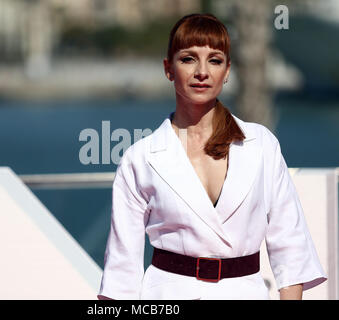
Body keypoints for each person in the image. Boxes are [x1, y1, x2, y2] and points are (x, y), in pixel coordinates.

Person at [97, 13, 327, 300]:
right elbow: (121, 271)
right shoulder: (139, 159)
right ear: (168, 68)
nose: (202, 72)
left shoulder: (262, 145)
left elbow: (290, 249)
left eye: (215, 60)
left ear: (228, 70)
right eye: (188, 59)